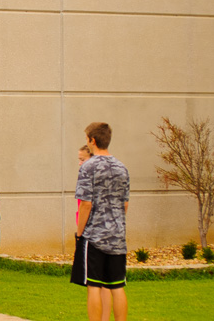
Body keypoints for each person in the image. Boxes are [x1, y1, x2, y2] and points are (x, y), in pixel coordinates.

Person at [72, 123, 130, 321]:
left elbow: (85, 204)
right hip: (118, 236)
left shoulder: (88, 167)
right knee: (117, 286)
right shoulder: (122, 168)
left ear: (92, 140)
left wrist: (80, 234)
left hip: (94, 236)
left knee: (94, 286)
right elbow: (125, 204)